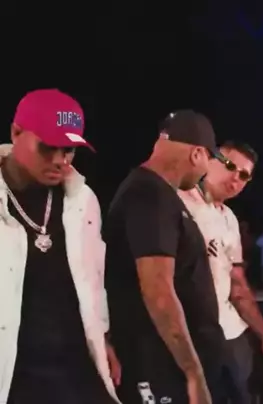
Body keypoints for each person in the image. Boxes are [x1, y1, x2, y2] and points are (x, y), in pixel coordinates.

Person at [0, 89, 119, 403]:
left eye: (68, 150)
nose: (59, 160)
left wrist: (102, 337)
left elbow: (93, 278)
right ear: (15, 133)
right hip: (14, 376)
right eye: (47, 147)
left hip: (76, 370)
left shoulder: (82, 199)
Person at [104, 110, 227, 404]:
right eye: (209, 160)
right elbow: (158, 291)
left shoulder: (156, 192)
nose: (206, 172)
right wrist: (193, 372)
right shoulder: (150, 195)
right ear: (197, 154)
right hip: (160, 368)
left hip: (168, 366)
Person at [178, 140, 263, 404]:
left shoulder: (229, 218)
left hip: (235, 327)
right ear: (209, 159)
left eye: (244, 175)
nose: (235, 177)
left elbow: (238, 285)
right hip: (200, 334)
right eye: (230, 166)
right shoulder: (179, 204)